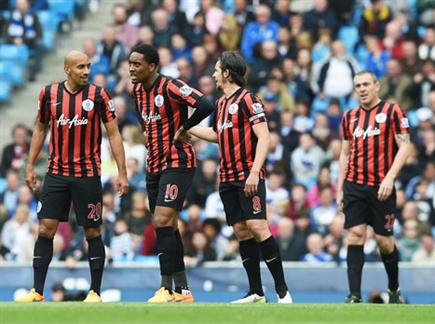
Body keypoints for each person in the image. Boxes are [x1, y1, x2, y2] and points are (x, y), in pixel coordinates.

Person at [15, 51, 129, 303]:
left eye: (88, 66)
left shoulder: (99, 95)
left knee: (92, 231)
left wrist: (121, 171)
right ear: (67, 69)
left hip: (87, 175)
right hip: (56, 174)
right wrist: (30, 165)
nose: (86, 71)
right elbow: (40, 129)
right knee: (45, 228)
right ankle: (37, 292)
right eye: (80, 67)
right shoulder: (49, 94)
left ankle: (95, 292)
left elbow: (113, 134)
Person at [188, 51, 292, 303]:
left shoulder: (249, 100)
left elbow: (264, 136)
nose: (213, 74)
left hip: (248, 175)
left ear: (226, 72)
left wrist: (255, 171)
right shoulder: (221, 104)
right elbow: (217, 134)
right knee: (241, 231)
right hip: (226, 178)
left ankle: (282, 291)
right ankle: (256, 291)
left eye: (216, 69)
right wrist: (187, 129)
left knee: (258, 226)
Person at [128, 43, 214, 303]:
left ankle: (165, 288)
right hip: (153, 165)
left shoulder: (170, 86)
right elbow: (141, 116)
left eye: (137, 64)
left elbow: (205, 104)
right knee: (167, 225)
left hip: (177, 162)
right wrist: (147, 131)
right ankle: (183, 290)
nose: (132, 68)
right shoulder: (137, 91)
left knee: (162, 220)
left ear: (152, 66)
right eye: (130, 63)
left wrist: (184, 128)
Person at [337, 70, 412, 303]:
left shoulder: (392, 111)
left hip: (382, 187)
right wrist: (340, 188)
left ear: (377, 86)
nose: (361, 89)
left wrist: (390, 178)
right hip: (354, 185)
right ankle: (354, 295)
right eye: (357, 85)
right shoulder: (349, 116)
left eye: (366, 84)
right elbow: (344, 153)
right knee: (355, 235)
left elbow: (406, 146)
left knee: (384, 241)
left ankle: (394, 289)